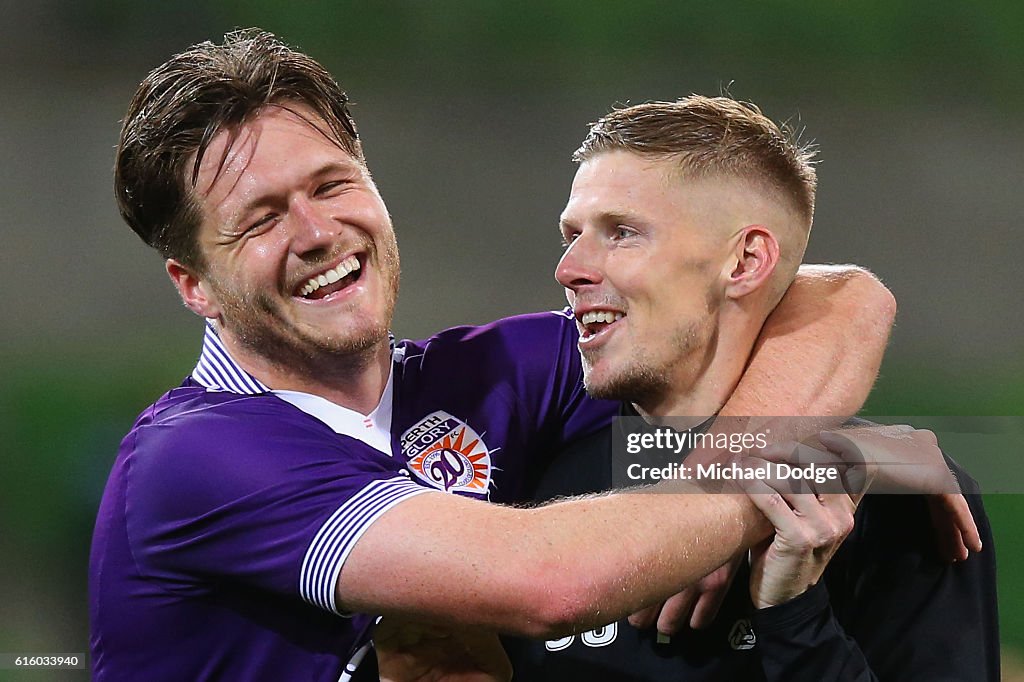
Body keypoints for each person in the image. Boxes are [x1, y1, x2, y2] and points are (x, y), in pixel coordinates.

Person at [89, 30, 929, 681]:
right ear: (193, 284)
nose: (316, 233)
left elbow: (833, 296)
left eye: (330, 184)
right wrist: (766, 479)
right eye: (261, 219)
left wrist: (778, 447)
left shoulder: (479, 378)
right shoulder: (193, 460)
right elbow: (553, 582)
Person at [498, 97, 999, 680]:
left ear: (745, 262)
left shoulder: (894, 500)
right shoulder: (528, 461)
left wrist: (793, 615)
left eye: (622, 233)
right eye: (572, 234)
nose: (569, 268)